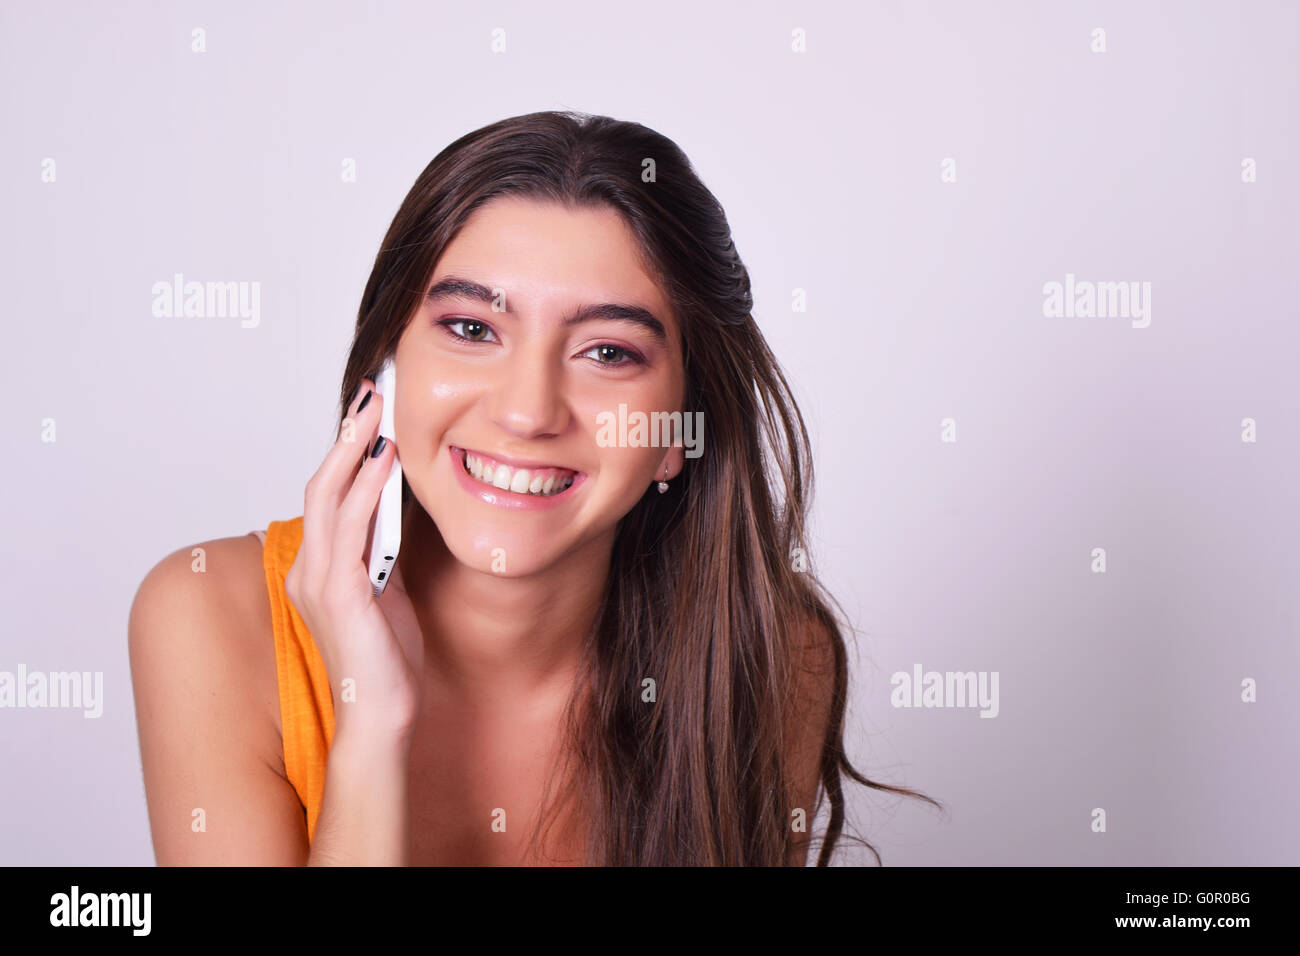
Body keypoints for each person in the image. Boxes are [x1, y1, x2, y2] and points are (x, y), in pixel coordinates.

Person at [128, 110, 941, 866]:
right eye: (473, 329)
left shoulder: (771, 657)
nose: (526, 412)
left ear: (676, 434)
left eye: (608, 352)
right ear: (385, 371)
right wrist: (370, 723)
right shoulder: (210, 618)